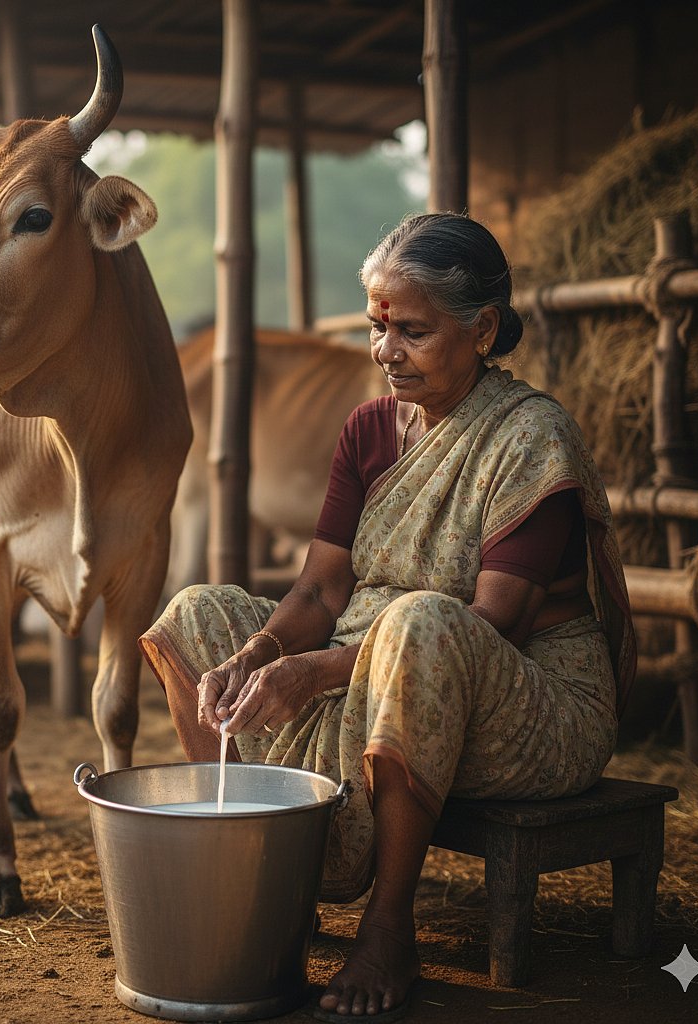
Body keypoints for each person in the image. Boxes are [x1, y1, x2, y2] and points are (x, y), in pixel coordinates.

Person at [140, 213, 635, 1019]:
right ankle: (264, 889)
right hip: (372, 668)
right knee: (197, 614)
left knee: (422, 621)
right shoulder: (370, 428)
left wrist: (311, 671)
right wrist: (261, 653)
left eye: (412, 331)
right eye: (378, 326)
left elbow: (490, 622)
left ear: (481, 331)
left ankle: (388, 928)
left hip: (529, 704)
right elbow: (319, 593)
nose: (385, 351)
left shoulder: (532, 438)